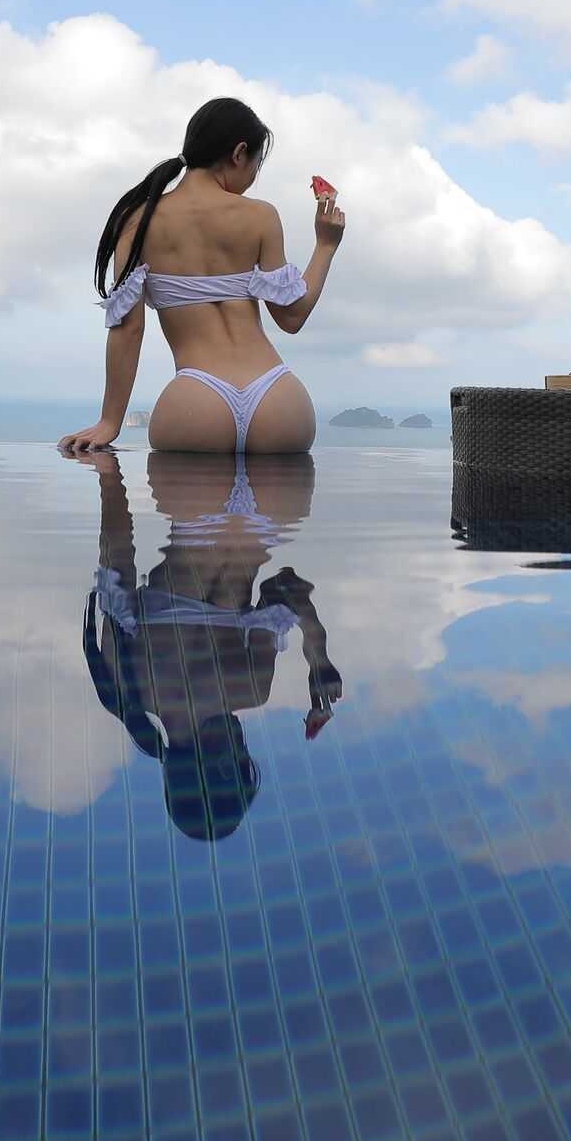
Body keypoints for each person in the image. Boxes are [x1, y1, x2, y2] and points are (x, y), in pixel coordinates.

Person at [71, 447, 342, 841]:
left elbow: (285, 587)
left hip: (269, 493)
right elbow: (117, 546)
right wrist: (107, 470)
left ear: (226, 768)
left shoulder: (249, 689)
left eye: (243, 761)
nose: (244, 747)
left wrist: (319, 658)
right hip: (191, 487)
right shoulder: (127, 686)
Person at [57, 97, 346, 455]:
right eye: (256, 164)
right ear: (239, 153)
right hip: (277, 398)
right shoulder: (261, 216)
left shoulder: (136, 220)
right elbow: (292, 317)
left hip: (195, 402)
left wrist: (109, 421)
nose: (253, 178)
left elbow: (128, 329)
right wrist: (325, 246)